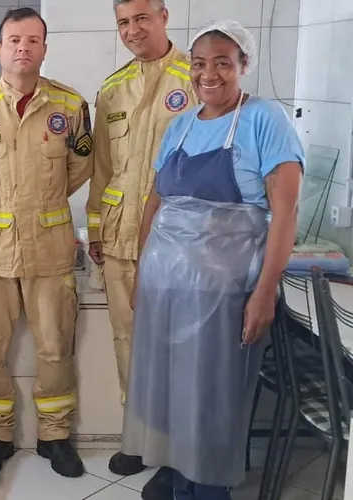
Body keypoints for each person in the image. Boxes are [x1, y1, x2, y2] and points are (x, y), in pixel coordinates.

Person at [122, 20, 303, 500]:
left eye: (223, 63)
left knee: (212, 401)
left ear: (244, 66)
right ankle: (180, 481)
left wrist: (263, 294)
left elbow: (285, 216)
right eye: (200, 64)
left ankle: (207, 492)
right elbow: (154, 204)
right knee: (171, 396)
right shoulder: (180, 126)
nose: (209, 75)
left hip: (223, 295)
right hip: (167, 290)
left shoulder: (265, 120)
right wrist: (142, 275)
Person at [0, 8, 93, 479]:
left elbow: (80, 169)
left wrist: (36, 205)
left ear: (45, 48)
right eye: (14, 40)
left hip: (49, 250)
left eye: (33, 39)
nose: (23, 47)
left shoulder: (70, 107)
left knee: (54, 347)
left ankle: (55, 437)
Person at [83, 0, 198, 491]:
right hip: (120, 240)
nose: (132, 29)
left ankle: (177, 449)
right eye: (123, 22)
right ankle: (139, 439)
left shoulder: (198, 79)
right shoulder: (111, 90)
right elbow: (101, 170)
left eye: (141, 18)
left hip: (178, 244)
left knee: (179, 346)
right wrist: (95, 229)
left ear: (164, 15)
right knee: (128, 344)